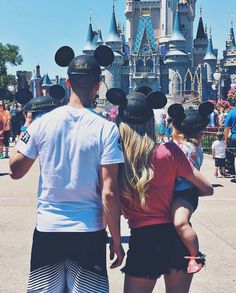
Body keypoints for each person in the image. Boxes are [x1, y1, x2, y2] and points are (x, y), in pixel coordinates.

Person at [9, 46, 125, 292]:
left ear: (68, 82)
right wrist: (116, 240)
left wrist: (26, 129)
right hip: (88, 230)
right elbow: (109, 192)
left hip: (48, 228)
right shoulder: (106, 128)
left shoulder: (43, 123)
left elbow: (15, 170)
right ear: (97, 86)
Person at [106, 89, 213, 293]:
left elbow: (110, 201)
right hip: (176, 237)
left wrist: (117, 242)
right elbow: (207, 188)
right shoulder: (170, 152)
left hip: (143, 240)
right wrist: (175, 194)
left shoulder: (115, 160)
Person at [168, 102, 214, 274]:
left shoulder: (185, 148)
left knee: (180, 223)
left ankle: (196, 255)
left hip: (184, 193)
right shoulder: (192, 146)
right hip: (180, 190)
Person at [224, 104, 236, 183]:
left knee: (234, 156)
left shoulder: (232, 112)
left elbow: (227, 128)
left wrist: (225, 140)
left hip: (234, 137)